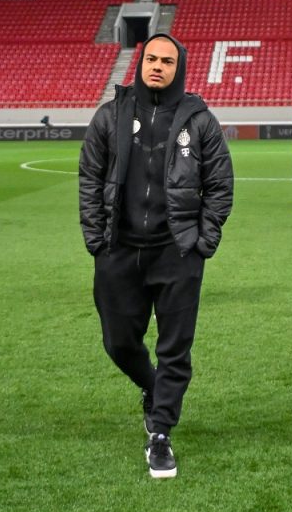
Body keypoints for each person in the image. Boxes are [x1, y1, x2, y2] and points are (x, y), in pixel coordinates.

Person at [79, 33, 234, 479]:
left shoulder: (200, 121)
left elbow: (220, 184)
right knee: (118, 342)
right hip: (119, 251)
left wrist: (203, 242)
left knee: (175, 350)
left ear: (178, 67)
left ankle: (161, 433)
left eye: (167, 61)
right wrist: (96, 240)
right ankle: (153, 387)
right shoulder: (110, 115)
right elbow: (90, 176)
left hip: (177, 252)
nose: (158, 66)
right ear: (140, 62)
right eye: (151, 58)